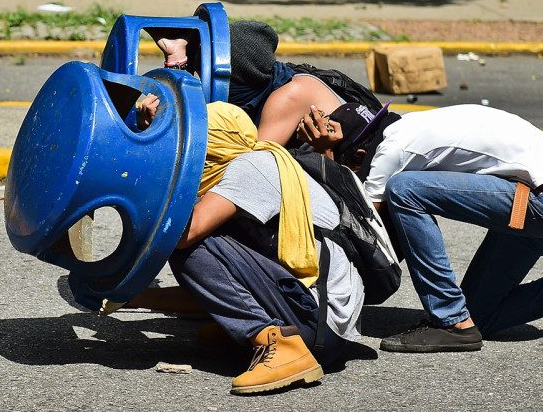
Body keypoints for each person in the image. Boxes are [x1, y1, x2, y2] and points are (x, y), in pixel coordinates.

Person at [296, 102, 543, 352]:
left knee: (403, 190)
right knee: (480, 316)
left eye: (353, 167)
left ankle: (448, 320)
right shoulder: (406, 129)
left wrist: (325, 155)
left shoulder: (390, 151)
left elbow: (364, 230)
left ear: (359, 154)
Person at [128, 101, 365, 394]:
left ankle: (279, 343)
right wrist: (135, 298)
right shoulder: (261, 160)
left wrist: (156, 162)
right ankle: (255, 327)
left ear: (211, 146)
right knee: (206, 238)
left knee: (186, 240)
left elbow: (180, 236)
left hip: (314, 328)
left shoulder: (250, 168)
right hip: (323, 329)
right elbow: (216, 285)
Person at [145, 20, 346, 145]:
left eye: (206, 79)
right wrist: (175, 58)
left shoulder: (288, 95)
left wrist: (171, 121)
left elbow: (243, 170)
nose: (203, 87)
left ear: (234, 81)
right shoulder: (261, 86)